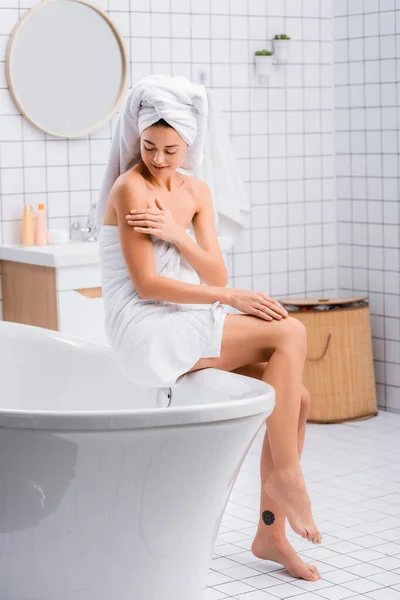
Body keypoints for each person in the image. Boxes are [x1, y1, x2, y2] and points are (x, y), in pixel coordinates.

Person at [97, 75, 321, 582]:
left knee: (297, 399)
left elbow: (215, 273)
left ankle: (270, 532)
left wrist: (178, 233)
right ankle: (288, 477)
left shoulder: (196, 190)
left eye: (170, 149)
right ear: (137, 140)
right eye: (149, 146)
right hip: (145, 327)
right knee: (289, 333)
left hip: (185, 316)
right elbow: (151, 285)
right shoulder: (131, 187)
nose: (157, 159)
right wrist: (227, 297)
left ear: (189, 143)